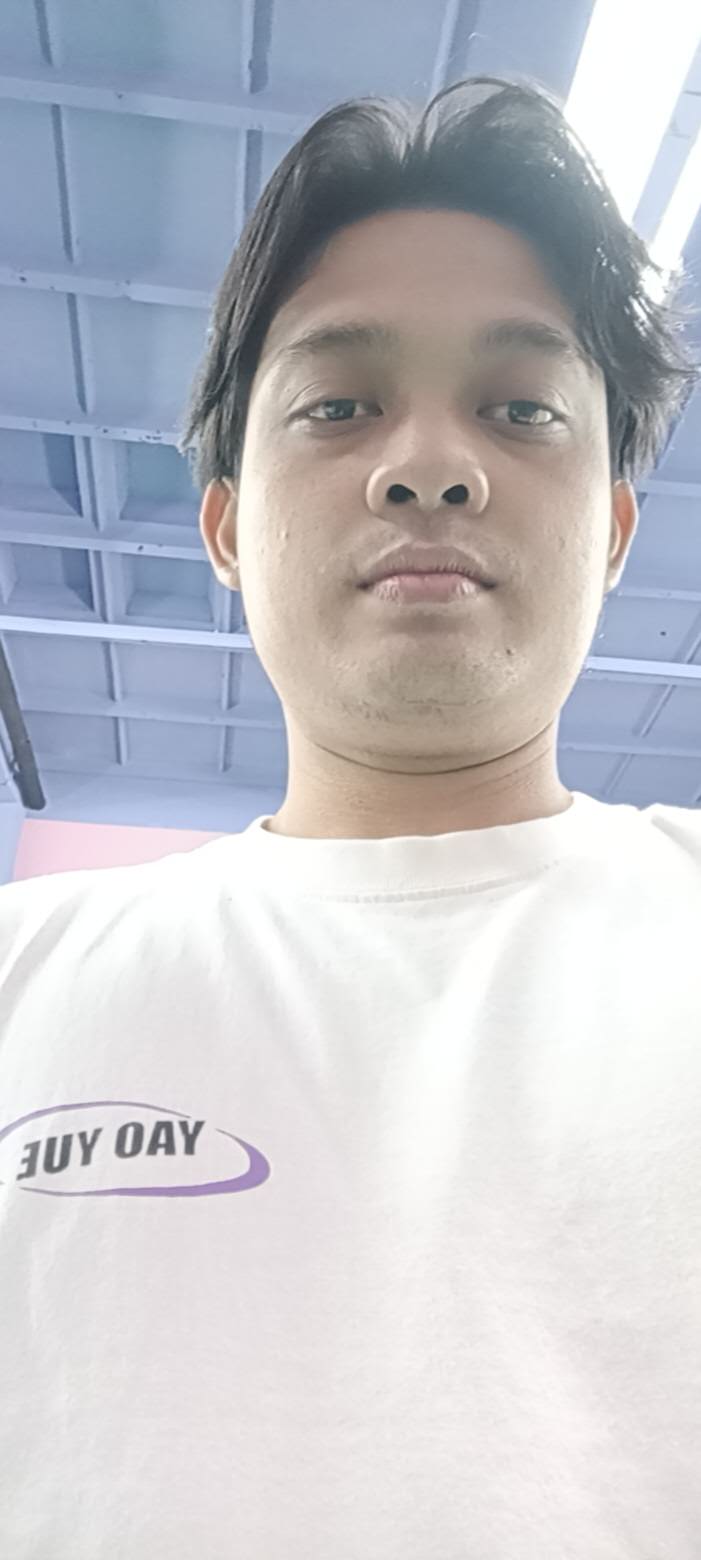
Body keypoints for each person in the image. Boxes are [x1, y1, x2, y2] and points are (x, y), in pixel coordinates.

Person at [1, 76, 700, 1560]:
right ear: (226, 527)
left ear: (613, 531)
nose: (428, 464)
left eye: (521, 410)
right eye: (338, 405)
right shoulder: (19, 974)